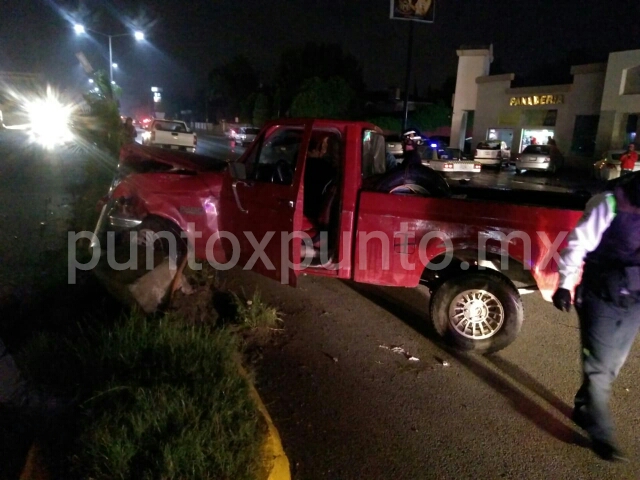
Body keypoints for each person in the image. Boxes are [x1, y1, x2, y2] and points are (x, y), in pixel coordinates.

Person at [552, 172, 640, 462]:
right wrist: (564, 285)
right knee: (600, 368)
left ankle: (583, 405)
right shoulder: (609, 205)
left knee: (613, 364)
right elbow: (578, 244)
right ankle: (601, 435)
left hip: (633, 301)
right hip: (599, 296)